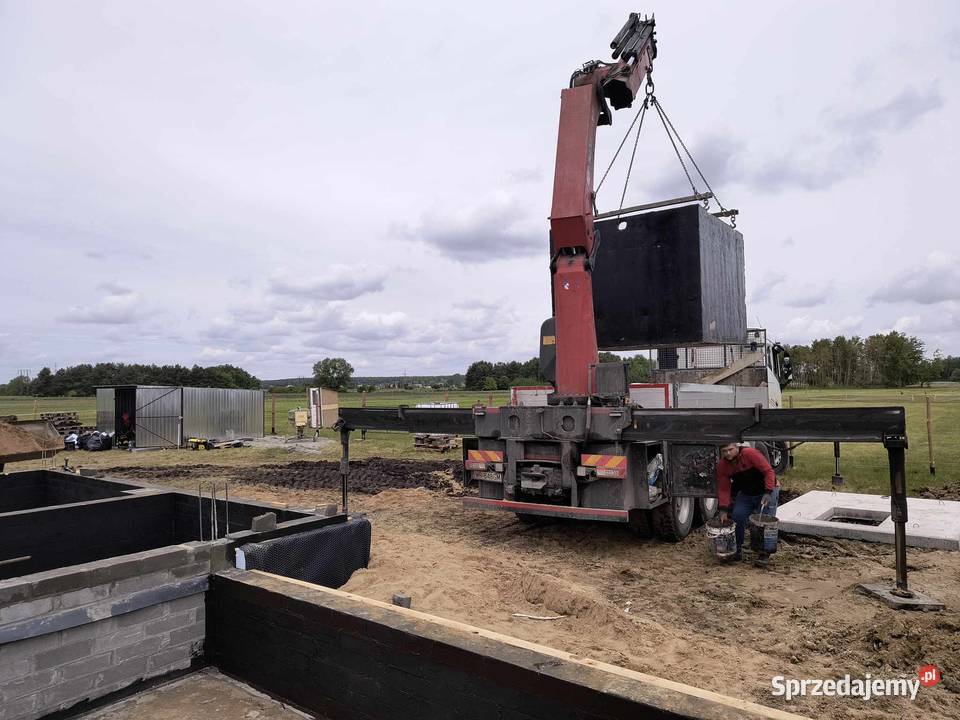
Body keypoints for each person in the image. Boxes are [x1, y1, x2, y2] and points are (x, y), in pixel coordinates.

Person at [717, 442, 779, 567]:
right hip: (746, 493)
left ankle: (764, 553)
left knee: (764, 521)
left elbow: (768, 471)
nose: (728, 453)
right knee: (737, 517)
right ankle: (736, 550)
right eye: (724, 451)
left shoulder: (750, 454)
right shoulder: (722, 466)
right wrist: (723, 509)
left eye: (730, 449)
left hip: (766, 490)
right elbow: (724, 488)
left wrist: (768, 492)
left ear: (737, 447)